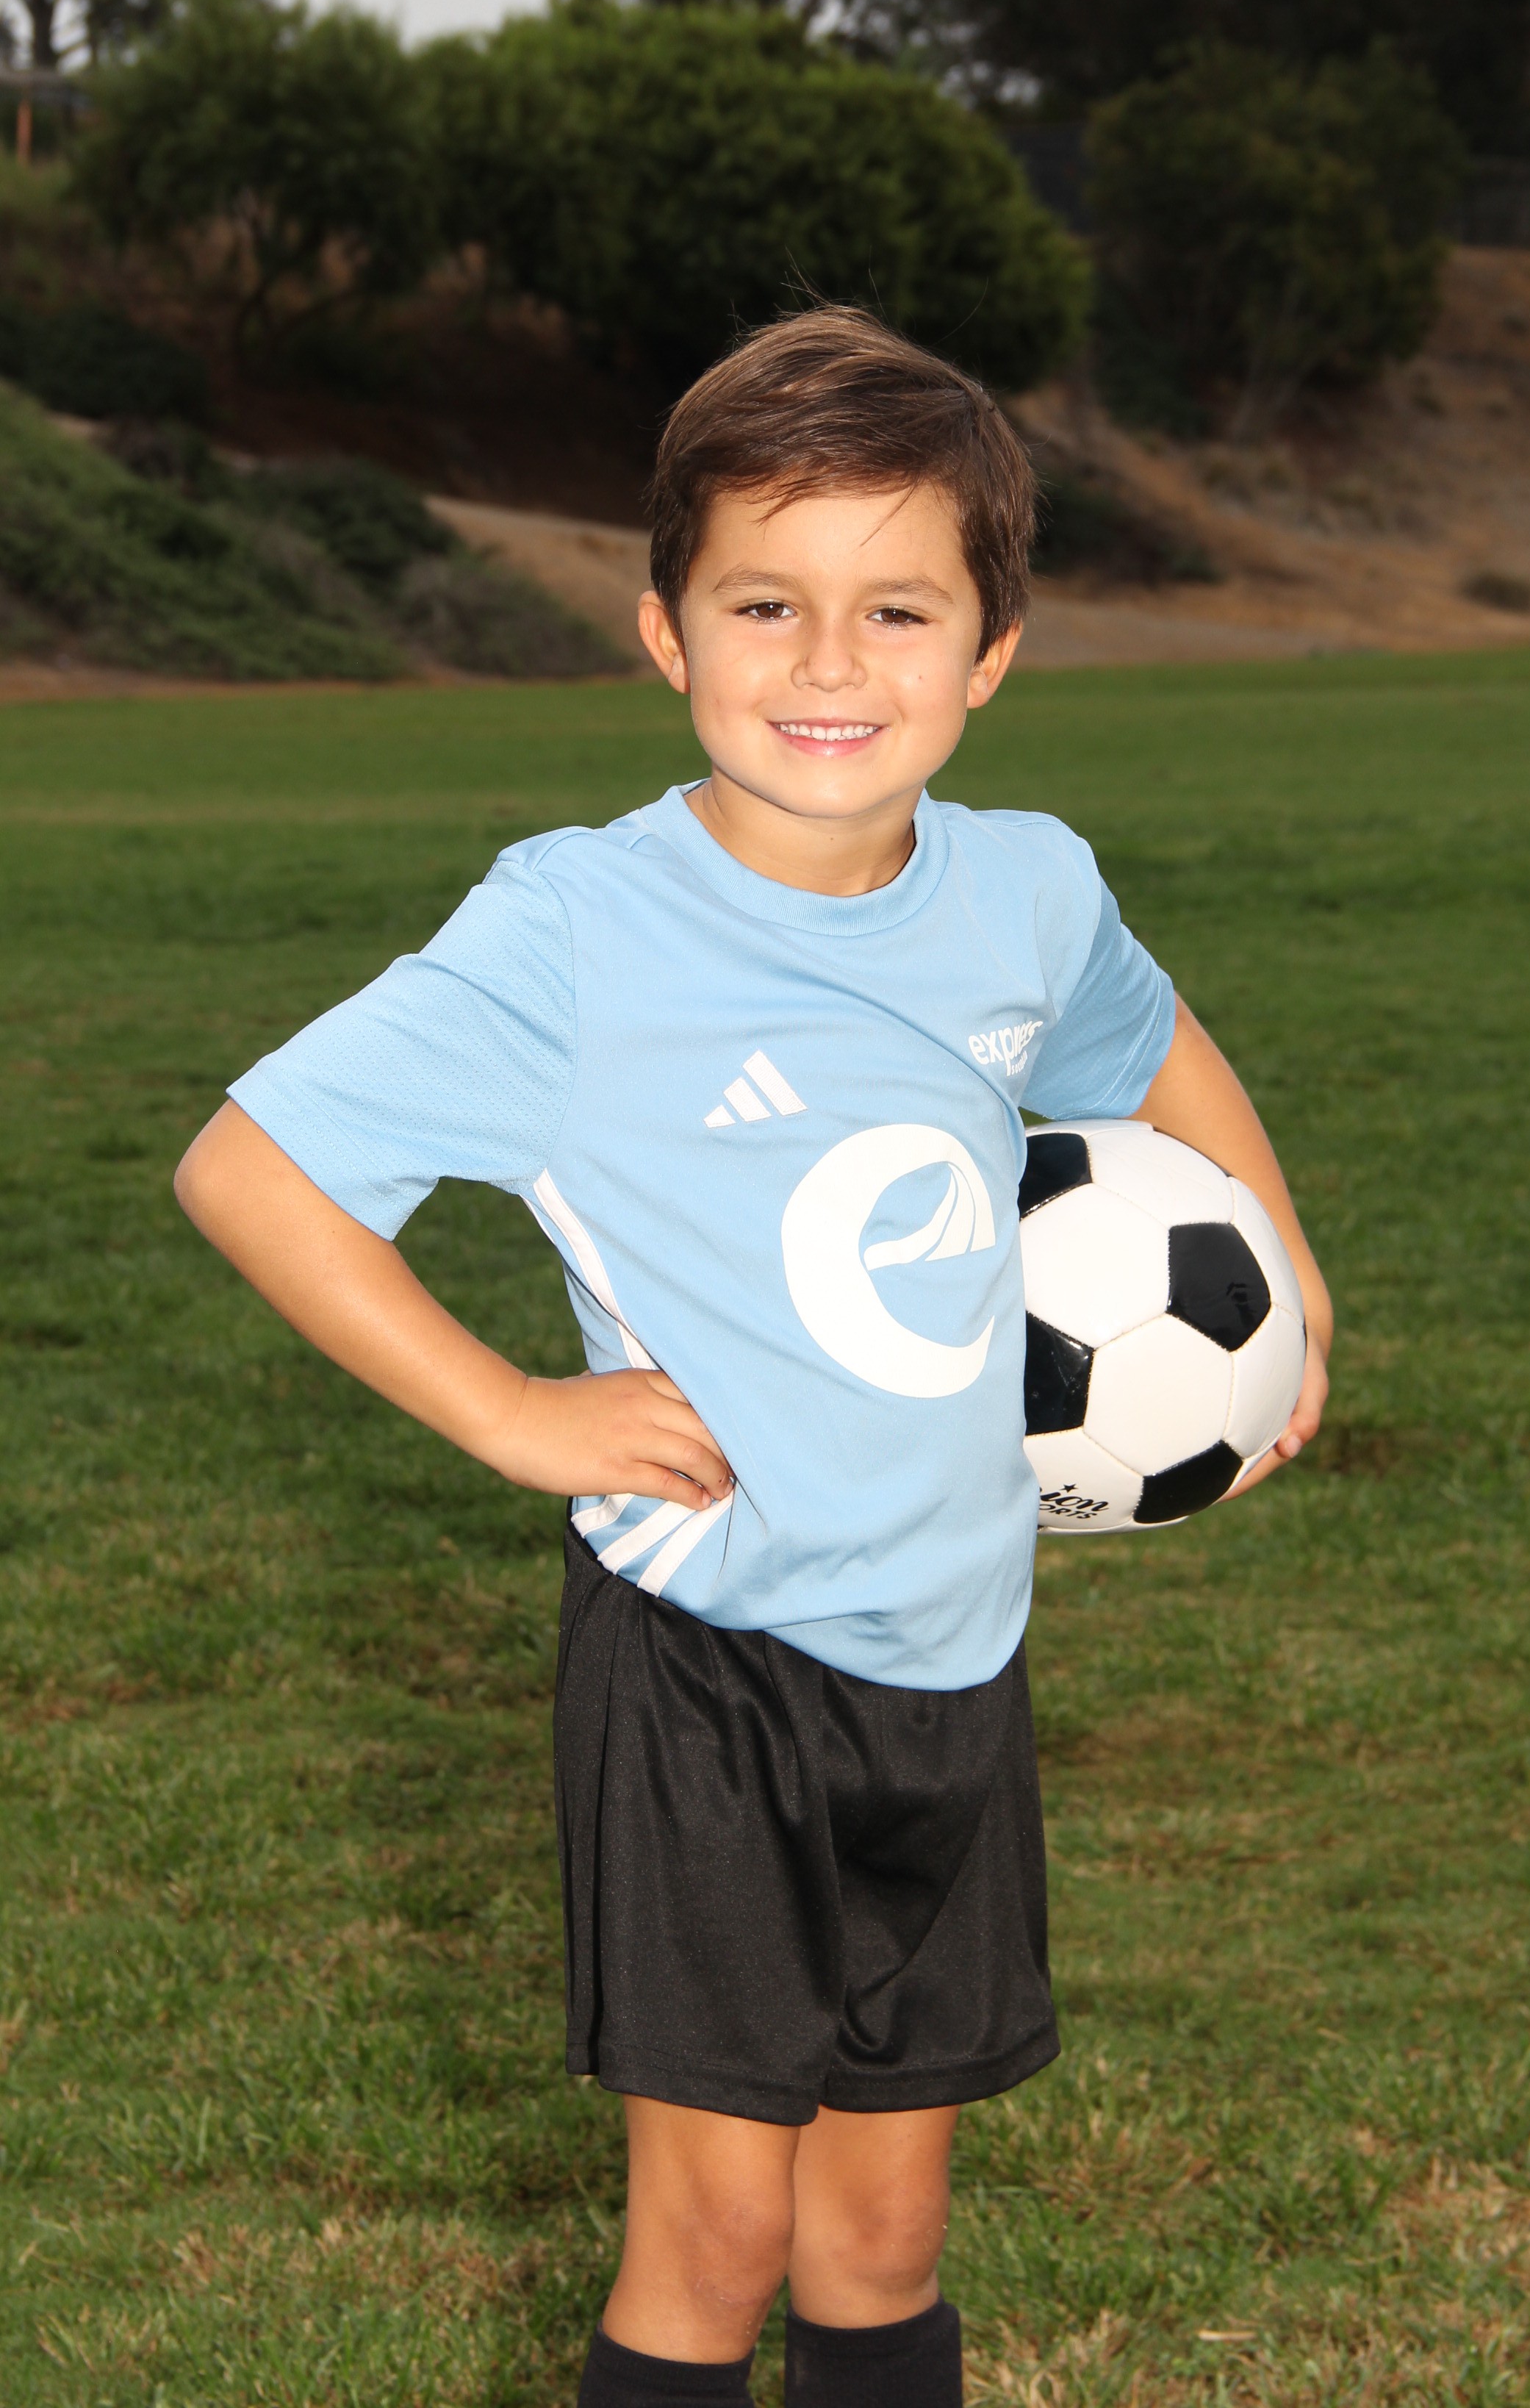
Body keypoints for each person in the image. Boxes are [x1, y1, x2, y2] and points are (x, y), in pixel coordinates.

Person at [174, 307, 1332, 2408]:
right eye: (765, 602)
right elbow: (253, 1171)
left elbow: (1147, 1045)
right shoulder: (577, 930)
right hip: (709, 1669)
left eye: (899, 609)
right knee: (712, 2249)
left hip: (957, 1661)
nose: (829, 664)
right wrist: (512, 1411)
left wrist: (1289, 1284)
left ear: (991, 653)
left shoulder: (1026, 893)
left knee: (878, 2247)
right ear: (665, 631)